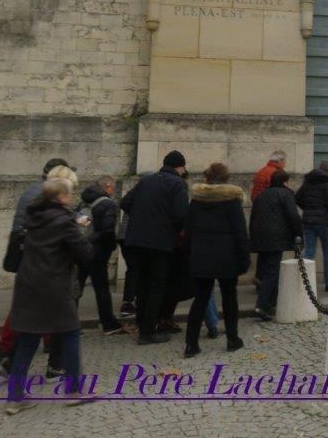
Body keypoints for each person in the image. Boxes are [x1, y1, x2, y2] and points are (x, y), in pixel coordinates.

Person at [4, 176, 94, 415]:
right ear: (62, 197)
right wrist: (83, 232)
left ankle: (14, 397)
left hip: (28, 284)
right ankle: (73, 391)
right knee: (71, 335)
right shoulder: (64, 222)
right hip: (54, 287)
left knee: (27, 340)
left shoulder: (31, 217)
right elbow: (84, 254)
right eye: (69, 194)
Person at [0, 158, 75, 366]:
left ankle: (17, 355)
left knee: (32, 310)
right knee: (31, 312)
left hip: (32, 256)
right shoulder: (45, 196)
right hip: (41, 259)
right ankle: (8, 354)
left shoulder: (34, 191)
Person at [119, 150, 189, 344]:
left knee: (142, 284)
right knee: (157, 285)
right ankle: (148, 331)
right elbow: (181, 215)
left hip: (136, 239)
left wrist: (143, 217)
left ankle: (142, 325)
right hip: (160, 241)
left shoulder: (146, 181)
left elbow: (125, 202)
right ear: (180, 167)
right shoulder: (178, 184)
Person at [183, 162, 250, 357]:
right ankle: (232, 338)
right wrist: (244, 258)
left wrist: (188, 255)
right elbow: (240, 233)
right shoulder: (231, 201)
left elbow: (188, 231)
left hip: (201, 255)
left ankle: (191, 343)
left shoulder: (196, 201)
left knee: (201, 299)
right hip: (226, 256)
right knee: (230, 298)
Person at [249, 170, 301, 321]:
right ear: (285, 182)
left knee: (266, 269)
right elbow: (293, 216)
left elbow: (254, 216)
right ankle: (262, 305)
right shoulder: (286, 194)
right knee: (272, 272)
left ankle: (271, 302)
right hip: (276, 237)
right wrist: (298, 235)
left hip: (261, 236)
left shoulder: (262, 195)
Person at [75, 176, 123, 335]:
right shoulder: (108, 204)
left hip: (80, 250)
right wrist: (111, 244)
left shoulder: (84, 202)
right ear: (107, 187)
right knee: (102, 289)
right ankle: (108, 323)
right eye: (113, 187)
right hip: (97, 253)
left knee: (76, 286)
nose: (113, 190)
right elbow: (108, 230)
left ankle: (70, 323)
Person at [295, 160, 328, 292]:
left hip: (308, 220)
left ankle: (300, 280)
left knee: (309, 251)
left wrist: (307, 208)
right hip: (323, 221)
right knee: (327, 252)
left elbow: (297, 197)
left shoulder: (308, 181)